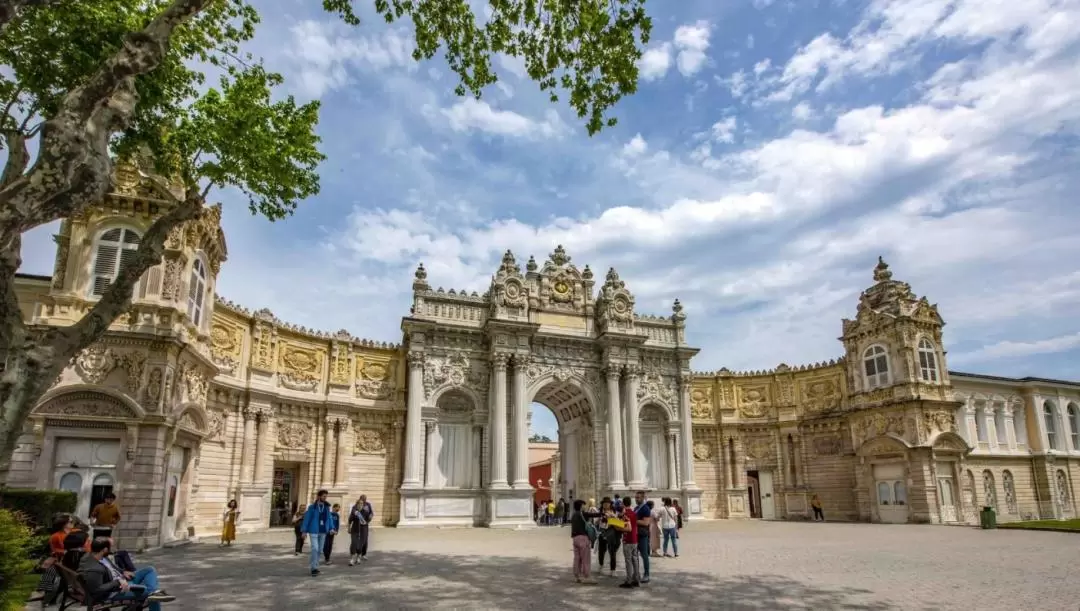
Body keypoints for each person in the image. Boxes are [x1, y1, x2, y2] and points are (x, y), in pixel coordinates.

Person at [78, 537, 174, 611]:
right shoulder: (95, 568)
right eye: (109, 548)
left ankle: (153, 593)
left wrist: (122, 572)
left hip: (122, 579)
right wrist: (118, 582)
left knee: (149, 570)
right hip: (116, 591)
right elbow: (97, 589)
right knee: (150, 593)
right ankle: (153, 593)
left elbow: (112, 568)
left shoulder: (96, 556)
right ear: (104, 550)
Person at [300, 489, 333, 576]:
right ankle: (313, 568)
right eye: (324, 496)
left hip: (323, 531)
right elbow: (307, 519)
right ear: (319, 497)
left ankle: (315, 566)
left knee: (319, 550)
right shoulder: (312, 507)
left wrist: (331, 528)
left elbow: (329, 518)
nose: (325, 498)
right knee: (315, 548)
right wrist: (304, 531)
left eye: (326, 496)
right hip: (314, 531)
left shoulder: (326, 507)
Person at [569, 499, 601, 584]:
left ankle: (577, 576)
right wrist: (603, 513)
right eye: (583, 505)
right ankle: (587, 576)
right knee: (585, 558)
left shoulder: (573, 515)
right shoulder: (582, 513)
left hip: (575, 538)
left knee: (577, 558)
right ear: (580, 506)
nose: (584, 507)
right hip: (583, 538)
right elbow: (594, 515)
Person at [618, 496, 641, 589]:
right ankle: (636, 579)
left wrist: (618, 527)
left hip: (627, 539)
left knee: (628, 561)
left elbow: (624, 527)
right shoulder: (634, 513)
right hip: (635, 539)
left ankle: (629, 580)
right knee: (635, 560)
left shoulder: (625, 515)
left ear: (623, 503)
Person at [596, 497, 620, 577]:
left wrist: (612, 516)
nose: (606, 505)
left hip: (611, 533)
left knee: (612, 552)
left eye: (607, 503)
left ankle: (613, 570)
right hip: (602, 532)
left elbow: (618, 522)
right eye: (604, 503)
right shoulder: (599, 512)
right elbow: (596, 522)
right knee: (601, 551)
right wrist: (599, 519)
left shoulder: (614, 512)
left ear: (610, 504)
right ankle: (601, 566)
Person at [348, 495, 374, 566]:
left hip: (363, 529)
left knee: (361, 544)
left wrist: (368, 519)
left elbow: (370, 516)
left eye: (362, 503)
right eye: (359, 503)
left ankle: (359, 556)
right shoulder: (354, 511)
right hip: (355, 529)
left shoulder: (366, 510)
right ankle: (352, 559)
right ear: (357, 504)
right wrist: (349, 528)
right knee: (354, 543)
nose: (361, 505)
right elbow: (350, 520)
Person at [634, 491, 652, 583]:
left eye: (638, 497)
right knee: (634, 555)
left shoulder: (645, 508)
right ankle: (636, 574)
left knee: (644, 555)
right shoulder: (636, 508)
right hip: (635, 534)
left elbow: (646, 522)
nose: (636, 499)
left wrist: (633, 521)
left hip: (643, 535)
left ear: (643, 498)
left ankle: (646, 574)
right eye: (635, 497)